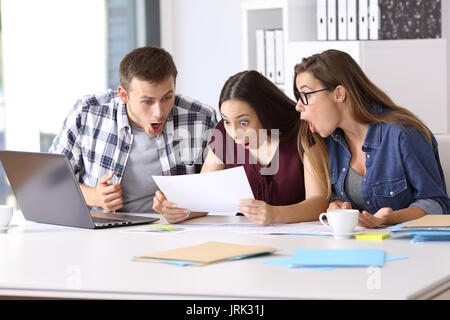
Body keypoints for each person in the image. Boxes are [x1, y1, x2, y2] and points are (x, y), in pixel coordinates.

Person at [294, 49, 450, 228]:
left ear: (339, 94)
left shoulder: (403, 135)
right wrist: (337, 205)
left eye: (306, 95)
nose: (299, 106)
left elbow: (438, 204)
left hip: (409, 246)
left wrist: (390, 218)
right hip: (360, 246)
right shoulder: (332, 142)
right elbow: (341, 198)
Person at [49, 46, 217, 213]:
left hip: (177, 232)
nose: (159, 112)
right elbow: (50, 180)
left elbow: (216, 190)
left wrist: (185, 209)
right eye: (147, 101)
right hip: (104, 232)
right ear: (123, 95)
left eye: (167, 97)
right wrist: (95, 196)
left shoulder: (201, 118)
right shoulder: (87, 113)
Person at [153, 70, 329, 225]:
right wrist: (178, 211)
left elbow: (318, 202)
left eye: (243, 122)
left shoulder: (302, 131)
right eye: (227, 121)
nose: (234, 132)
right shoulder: (224, 134)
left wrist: (276, 214)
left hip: (297, 240)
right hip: (243, 242)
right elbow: (203, 199)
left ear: (266, 113)